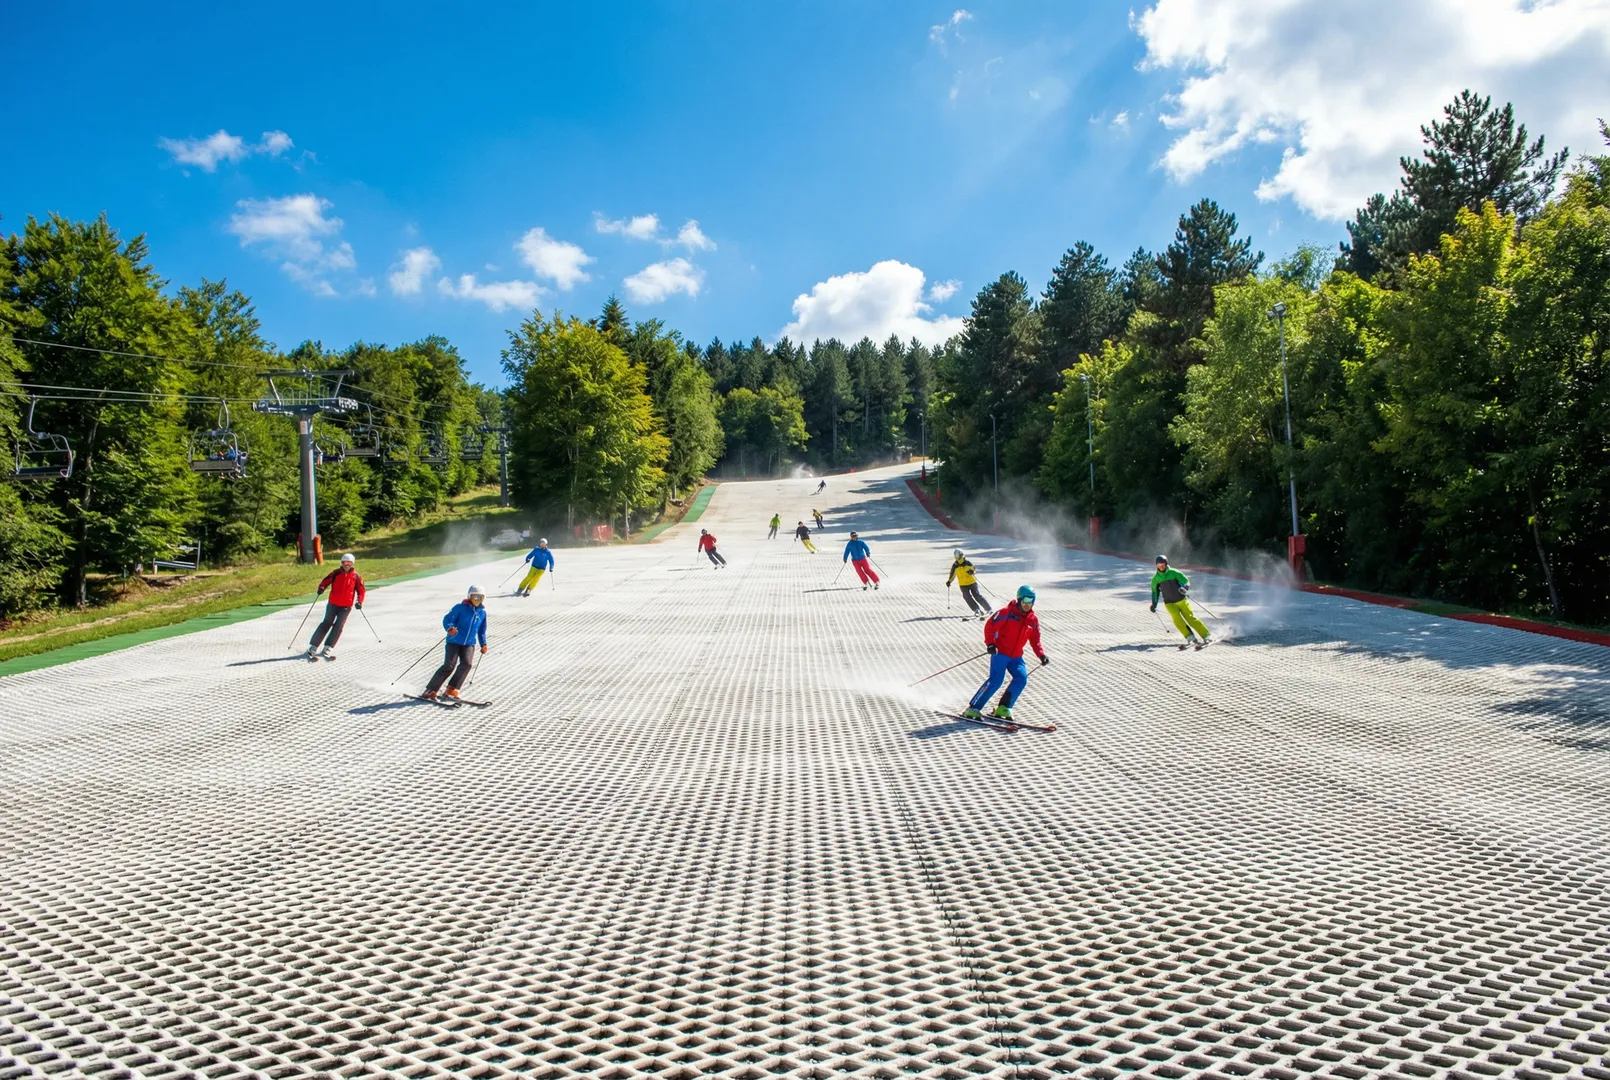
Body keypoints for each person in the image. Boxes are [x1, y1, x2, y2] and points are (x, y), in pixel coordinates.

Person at [963, 586, 1049, 721]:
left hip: (1016, 657)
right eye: (1025, 600)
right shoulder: (1006, 613)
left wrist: (1041, 655)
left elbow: (1035, 639)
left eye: (1031, 601)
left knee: (1021, 678)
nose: (1028, 604)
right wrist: (990, 644)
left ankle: (1003, 707)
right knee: (996, 680)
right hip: (1000, 653)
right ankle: (973, 708)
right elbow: (990, 626)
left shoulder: (1032, 620)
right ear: (1019, 599)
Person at [420, 585, 488, 701]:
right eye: (475, 597)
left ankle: (452, 689)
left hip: (469, 643)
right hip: (454, 641)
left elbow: (482, 630)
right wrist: (450, 628)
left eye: (480, 598)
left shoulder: (482, 613)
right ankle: (431, 689)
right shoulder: (459, 608)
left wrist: (484, 644)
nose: (477, 600)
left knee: (467, 664)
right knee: (449, 665)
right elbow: (448, 619)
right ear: (470, 596)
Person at [307, 552, 365, 659]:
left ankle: (328, 646)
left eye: (349, 563)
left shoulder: (356, 577)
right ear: (341, 563)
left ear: (352, 564)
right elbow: (326, 581)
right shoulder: (335, 573)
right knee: (326, 623)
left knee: (338, 626)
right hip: (333, 604)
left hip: (346, 607)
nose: (346, 565)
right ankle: (313, 646)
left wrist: (359, 601)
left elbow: (361, 590)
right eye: (344, 562)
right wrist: (321, 588)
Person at [1150, 555, 1212, 650]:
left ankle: (1206, 636)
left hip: (1181, 600)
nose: (1161, 567)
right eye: (1159, 565)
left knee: (1190, 618)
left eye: (1162, 565)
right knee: (1176, 619)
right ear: (1156, 566)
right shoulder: (1156, 579)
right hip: (1169, 603)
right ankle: (1190, 637)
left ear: (1166, 564)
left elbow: (1185, 581)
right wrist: (1154, 604)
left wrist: (1185, 587)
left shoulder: (1174, 572)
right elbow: (1155, 592)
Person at [946, 548, 987, 619]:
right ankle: (976, 609)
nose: (957, 558)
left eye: (958, 556)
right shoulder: (955, 565)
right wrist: (949, 581)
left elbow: (973, 569)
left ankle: (988, 608)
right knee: (966, 597)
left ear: (962, 555)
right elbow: (952, 574)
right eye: (956, 556)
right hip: (963, 585)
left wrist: (972, 572)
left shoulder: (967, 562)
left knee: (976, 595)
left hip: (972, 582)